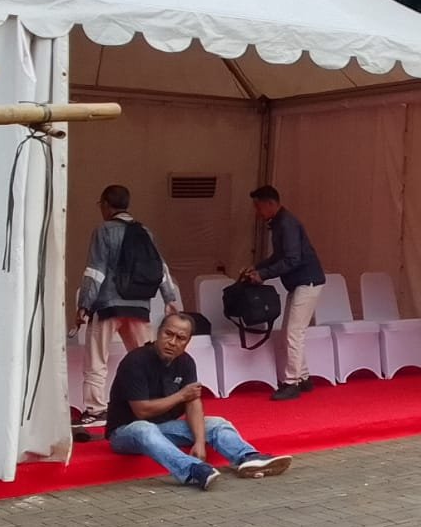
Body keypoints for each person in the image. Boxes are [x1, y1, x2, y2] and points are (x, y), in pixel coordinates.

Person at [107, 312, 293, 490]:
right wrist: (181, 396)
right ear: (158, 333)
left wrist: (199, 441)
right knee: (143, 428)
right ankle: (193, 470)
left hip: (163, 427)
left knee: (217, 423)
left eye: (180, 338)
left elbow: (193, 402)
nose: (172, 342)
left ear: (187, 342)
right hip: (125, 432)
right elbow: (142, 411)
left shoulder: (186, 362)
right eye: (168, 334)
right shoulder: (136, 361)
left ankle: (249, 458)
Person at [75, 184, 183, 428]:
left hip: (108, 306)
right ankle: (155, 404)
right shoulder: (144, 231)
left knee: (96, 359)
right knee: (148, 357)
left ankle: (96, 410)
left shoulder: (103, 230)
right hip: (138, 306)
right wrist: (170, 298)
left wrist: (84, 305)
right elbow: (160, 267)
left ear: (105, 204)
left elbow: (96, 270)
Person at [241, 185, 326, 401]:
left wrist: (263, 274)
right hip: (302, 282)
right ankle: (303, 377)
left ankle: (291, 383)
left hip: (306, 282)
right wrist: (259, 268)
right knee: (292, 331)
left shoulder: (286, 224)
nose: (257, 212)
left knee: (293, 332)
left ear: (270, 204)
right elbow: (280, 256)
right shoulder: (281, 222)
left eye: (258, 207)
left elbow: (292, 259)